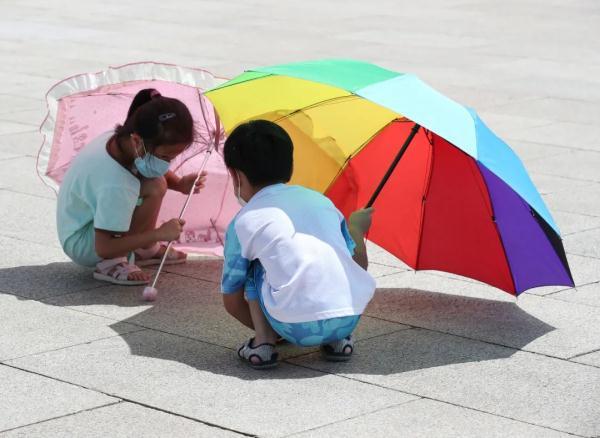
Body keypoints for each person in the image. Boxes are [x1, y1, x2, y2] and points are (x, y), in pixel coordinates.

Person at [220, 119, 376, 369]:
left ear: (236, 175)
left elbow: (231, 297)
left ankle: (263, 344)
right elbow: (358, 264)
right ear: (290, 167)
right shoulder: (322, 202)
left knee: (254, 265)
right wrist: (356, 229)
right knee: (331, 257)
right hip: (349, 317)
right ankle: (337, 341)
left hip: (291, 326)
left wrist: (277, 329)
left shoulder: (244, 221)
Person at [57, 89, 206, 285]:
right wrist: (159, 233)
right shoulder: (116, 184)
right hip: (84, 242)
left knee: (156, 183)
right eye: (164, 157)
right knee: (150, 186)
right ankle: (112, 263)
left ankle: (144, 249)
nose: (167, 164)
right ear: (137, 140)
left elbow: (150, 168)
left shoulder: (120, 139)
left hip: (82, 222)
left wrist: (178, 184)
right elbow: (104, 247)